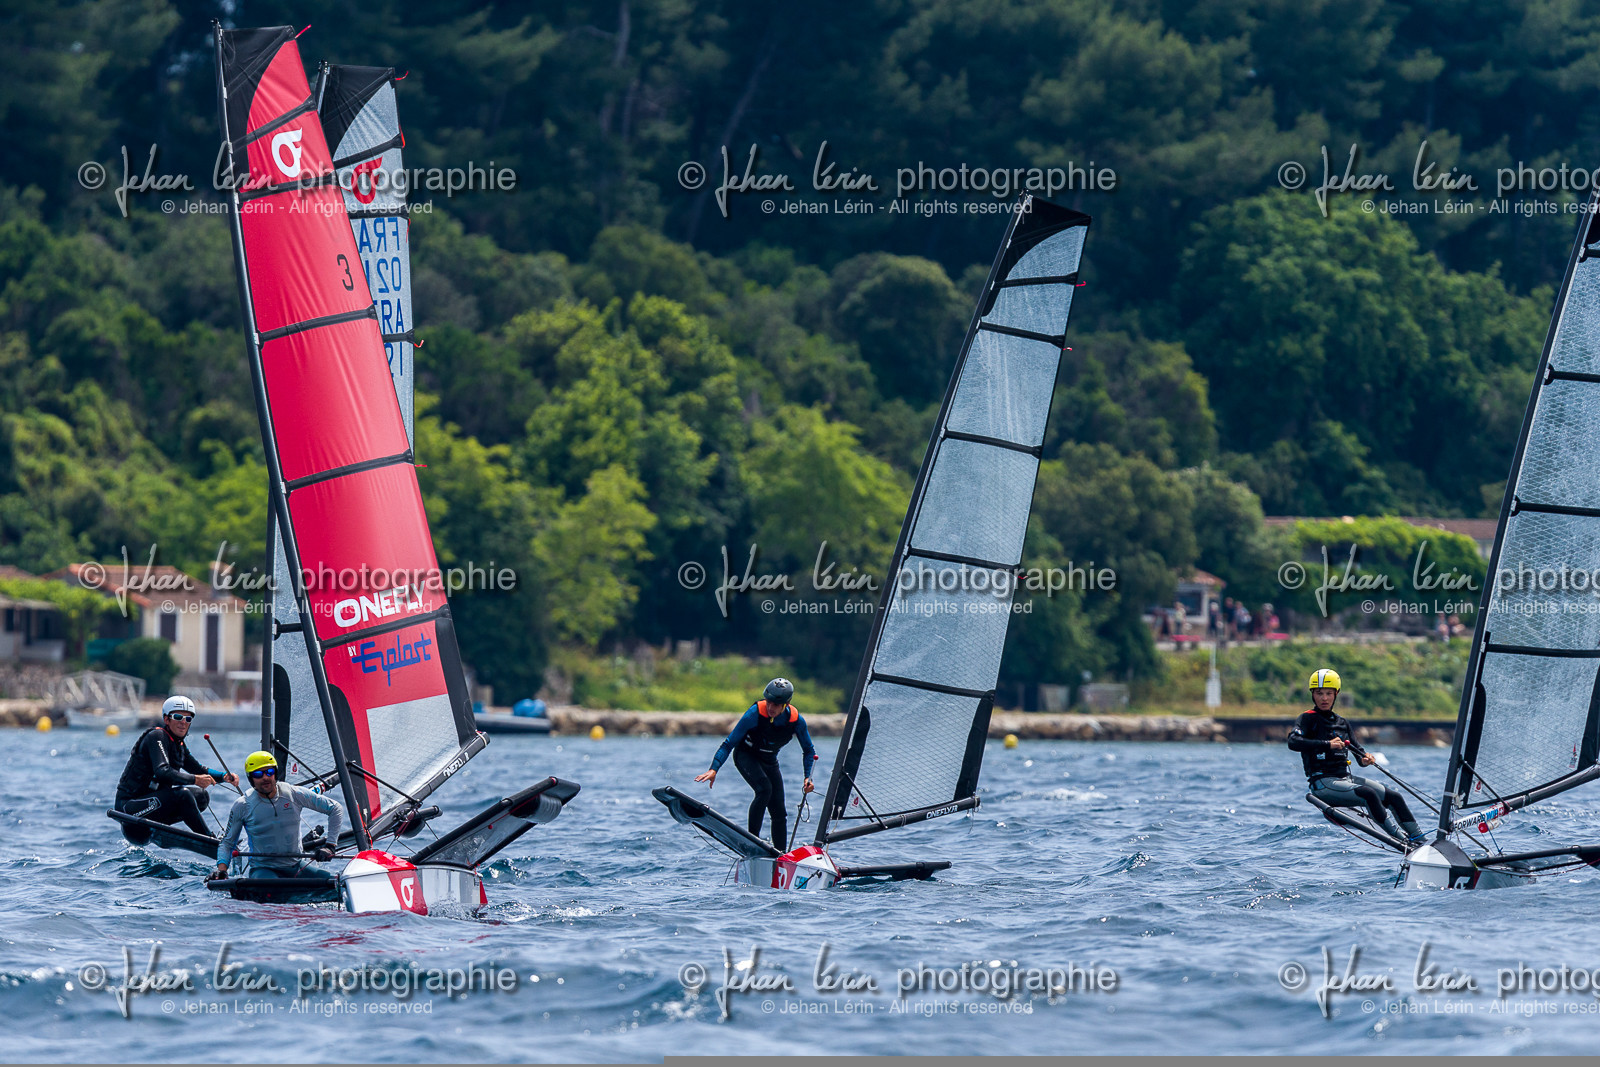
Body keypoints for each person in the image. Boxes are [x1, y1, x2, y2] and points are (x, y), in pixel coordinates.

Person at [1287, 668, 1426, 847]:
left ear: (1336, 694)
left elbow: (1359, 755)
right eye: (1319, 693)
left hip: (1346, 779)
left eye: (1329, 693)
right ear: (1312, 694)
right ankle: (1403, 841)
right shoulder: (1307, 719)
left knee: (1393, 796)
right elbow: (1293, 742)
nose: (1324, 698)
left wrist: (1366, 759)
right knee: (1368, 794)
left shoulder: (1342, 723)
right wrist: (1327, 744)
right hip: (1322, 784)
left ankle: (1420, 840)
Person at [694, 678, 817, 849]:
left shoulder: (796, 721)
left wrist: (807, 777)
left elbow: (809, 751)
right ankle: (752, 841)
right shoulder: (755, 714)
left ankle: (781, 855)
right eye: (769, 702)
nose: (771, 707)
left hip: (769, 760)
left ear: (786, 704)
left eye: (776, 704)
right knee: (764, 789)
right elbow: (728, 743)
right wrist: (714, 769)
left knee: (779, 812)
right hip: (746, 756)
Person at [210, 751, 344, 883]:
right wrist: (222, 871)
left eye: (269, 772)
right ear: (251, 778)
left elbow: (335, 808)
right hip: (263, 870)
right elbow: (227, 843)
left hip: (296, 866)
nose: (265, 778)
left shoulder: (293, 794)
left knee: (336, 885)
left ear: (275, 773)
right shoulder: (242, 805)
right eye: (258, 774)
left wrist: (330, 845)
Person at [114, 695, 238, 836]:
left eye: (188, 719)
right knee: (183, 795)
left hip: (153, 806)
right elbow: (162, 771)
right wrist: (195, 780)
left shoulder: (178, 744)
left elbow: (198, 769)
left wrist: (224, 777)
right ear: (167, 719)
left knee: (201, 796)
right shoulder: (156, 736)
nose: (183, 722)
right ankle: (209, 838)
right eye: (178, 717)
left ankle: (162, 828)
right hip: (128, 809)